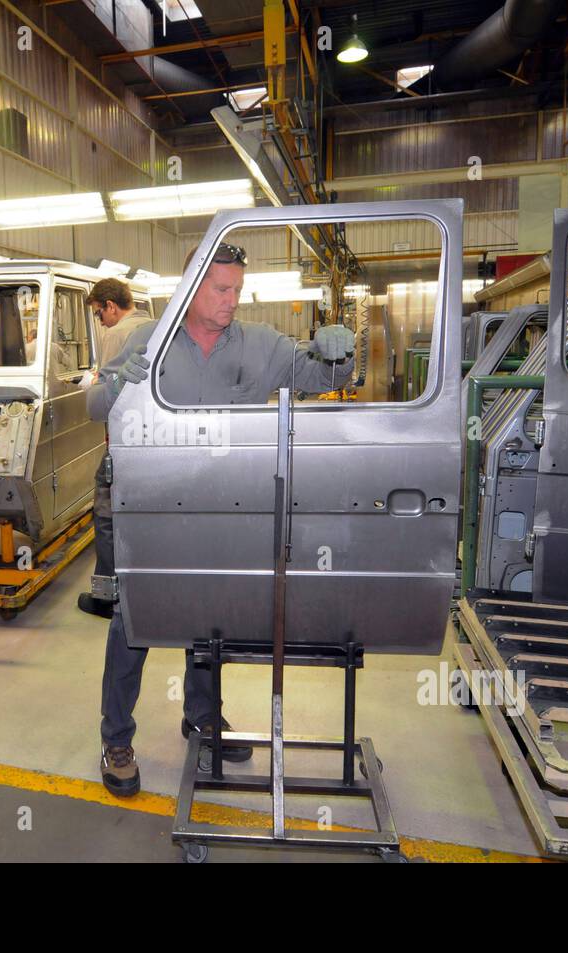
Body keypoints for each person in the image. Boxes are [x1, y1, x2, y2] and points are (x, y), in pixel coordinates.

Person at [86, 241, 356, 797]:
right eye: (221, 289)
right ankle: (116, 737)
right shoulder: (148, 341)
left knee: (211, 620)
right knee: (132, 624)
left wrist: (340, 352)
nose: (232, 300)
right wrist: (116, 383)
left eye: (237, 289)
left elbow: (324, 374)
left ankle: (204, 718)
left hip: (223, 512)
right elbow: (93, 406)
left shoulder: (261, 345)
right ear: (190, 286)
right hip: (151, 510)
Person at [78, 278, 148, 619]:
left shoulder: (116, 334)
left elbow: (106, 396)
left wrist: (93, 385)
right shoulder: (155, 324)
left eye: (99, 313)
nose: (101, 321)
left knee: (105, 515)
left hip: (123, 441)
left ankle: (107, 596)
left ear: (110, 305)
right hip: (152, 438)